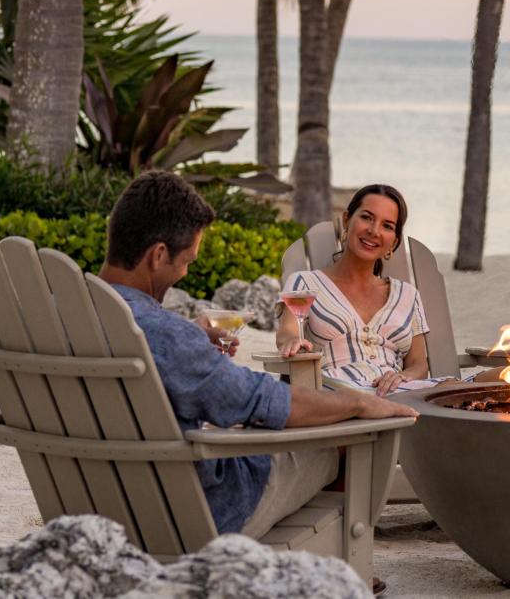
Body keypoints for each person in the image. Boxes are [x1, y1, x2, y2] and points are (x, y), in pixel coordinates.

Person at [98, 171, 415, 544]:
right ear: (159, 255)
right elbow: (263, 402)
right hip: (204, 510)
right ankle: (343, 558)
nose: (184, 273)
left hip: (103, 501)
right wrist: (357, 404)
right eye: (186, 262)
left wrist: (190, 333)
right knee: (345, 440)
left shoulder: (73, 312)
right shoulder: (166, 335)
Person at [280, 184, 492, 394]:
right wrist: (292, 342)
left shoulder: (407, 295)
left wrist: (402, 377)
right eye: (366, 217)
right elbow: (288, 331)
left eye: (387, 226)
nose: (374, 231)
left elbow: (419, 363)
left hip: (400, 392)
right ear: (346, 220)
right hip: (342, 394)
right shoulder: (305, 283)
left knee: (496, 380)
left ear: (393, 242)